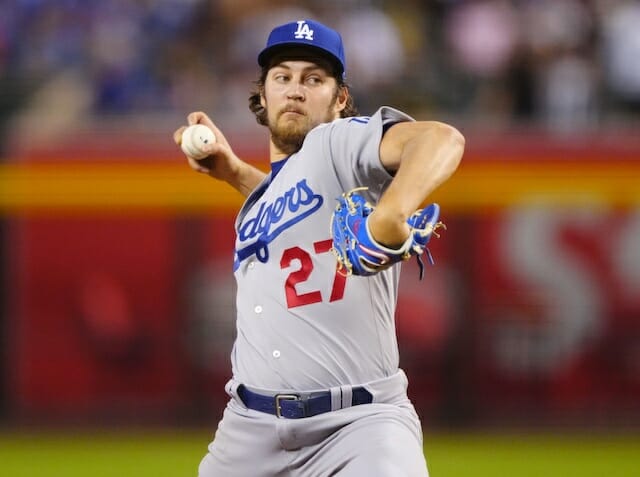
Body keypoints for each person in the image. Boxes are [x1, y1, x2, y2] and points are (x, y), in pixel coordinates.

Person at [173, 19, 464, 477]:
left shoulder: (338, 142)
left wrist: (391, 212)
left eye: (313, 79)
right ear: (262, 95)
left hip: (358, 425)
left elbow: (442, 139)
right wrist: (234, 172)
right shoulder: (263, 203)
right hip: (248, 430)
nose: (295, 90)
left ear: (339, 99)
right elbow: (297, 201)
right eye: (282, 77)